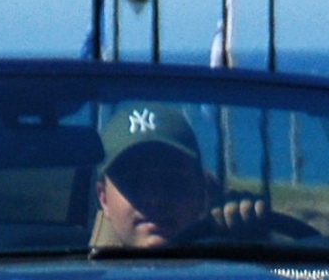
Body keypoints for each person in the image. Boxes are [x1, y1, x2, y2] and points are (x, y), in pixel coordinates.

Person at [90, 103, 287, 249]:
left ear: (202, 192)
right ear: (103, 199)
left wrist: (254, 249)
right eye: (134, 183)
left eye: (172, 181)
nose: (155, 199)